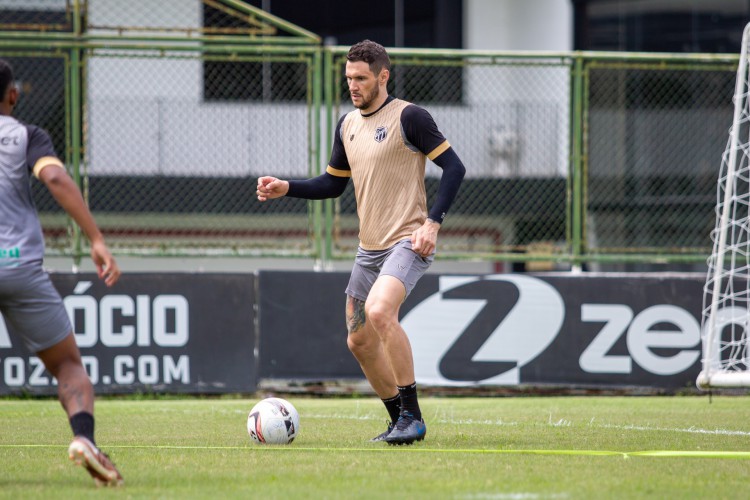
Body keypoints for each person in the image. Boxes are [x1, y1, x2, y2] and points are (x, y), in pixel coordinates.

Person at [257, 40, 466, 445]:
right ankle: (398, 421)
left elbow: (454, 167)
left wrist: (432, 224)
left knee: (380, 312)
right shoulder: (347, 125)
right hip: (368, 250)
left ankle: (414, 416)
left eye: (361, 78)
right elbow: (334, 184)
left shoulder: (410, 117)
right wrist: (287, 187)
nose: (352, 85)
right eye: (349, 78)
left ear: (382, 76)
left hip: (407, 240)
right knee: (357, 338)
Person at [0, 59, 124, 486]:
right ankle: (83, 439)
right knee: (69, 366)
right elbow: (54, 177)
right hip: (17, 268)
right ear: (12, 95)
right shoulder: (26, 136)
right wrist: (96, 238)